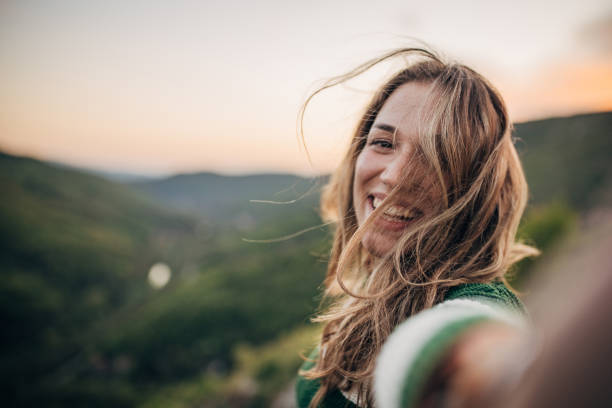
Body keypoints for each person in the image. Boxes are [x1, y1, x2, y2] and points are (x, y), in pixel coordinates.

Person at [295, 48, 539, 408]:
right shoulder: (371, 293)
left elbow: (472, 353)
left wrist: (482, 369)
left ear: (478, 191)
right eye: (383, 143)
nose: (394, 176)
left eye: (436, 155)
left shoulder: (476, 306)